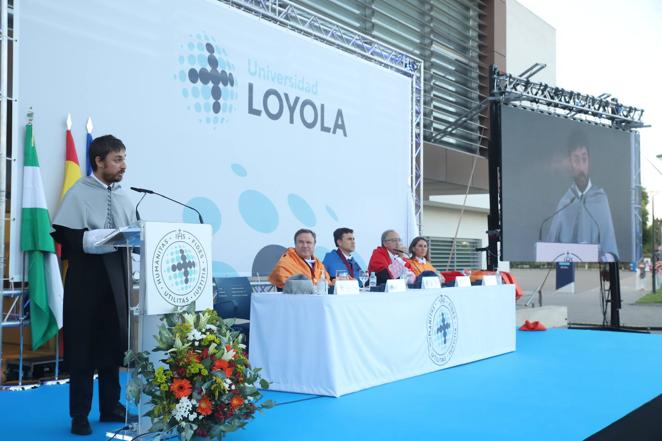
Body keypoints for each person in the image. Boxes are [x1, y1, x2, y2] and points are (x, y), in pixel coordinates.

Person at [51, 135, 136, 435]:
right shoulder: (78, 193)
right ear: (98, 161)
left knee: (112, 347)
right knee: (83, 350)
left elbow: (136, 234)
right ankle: (80, 415)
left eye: (124, 158)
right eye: (117, 159)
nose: (123, 165)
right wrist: (102, 238)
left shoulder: (125, 196)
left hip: (117, 283)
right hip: (86, 283)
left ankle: (111, 406)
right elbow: (67, 238)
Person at [545, 131, 619, 261]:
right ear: (570, 163)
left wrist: (604, 258)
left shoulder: (600, 199)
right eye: (576, 159)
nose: (581, 166)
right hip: (566, 270)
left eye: (584, 159)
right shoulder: (565, 201)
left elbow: (611, 249)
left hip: (594, 272)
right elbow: (551, 247)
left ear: (589, 162)